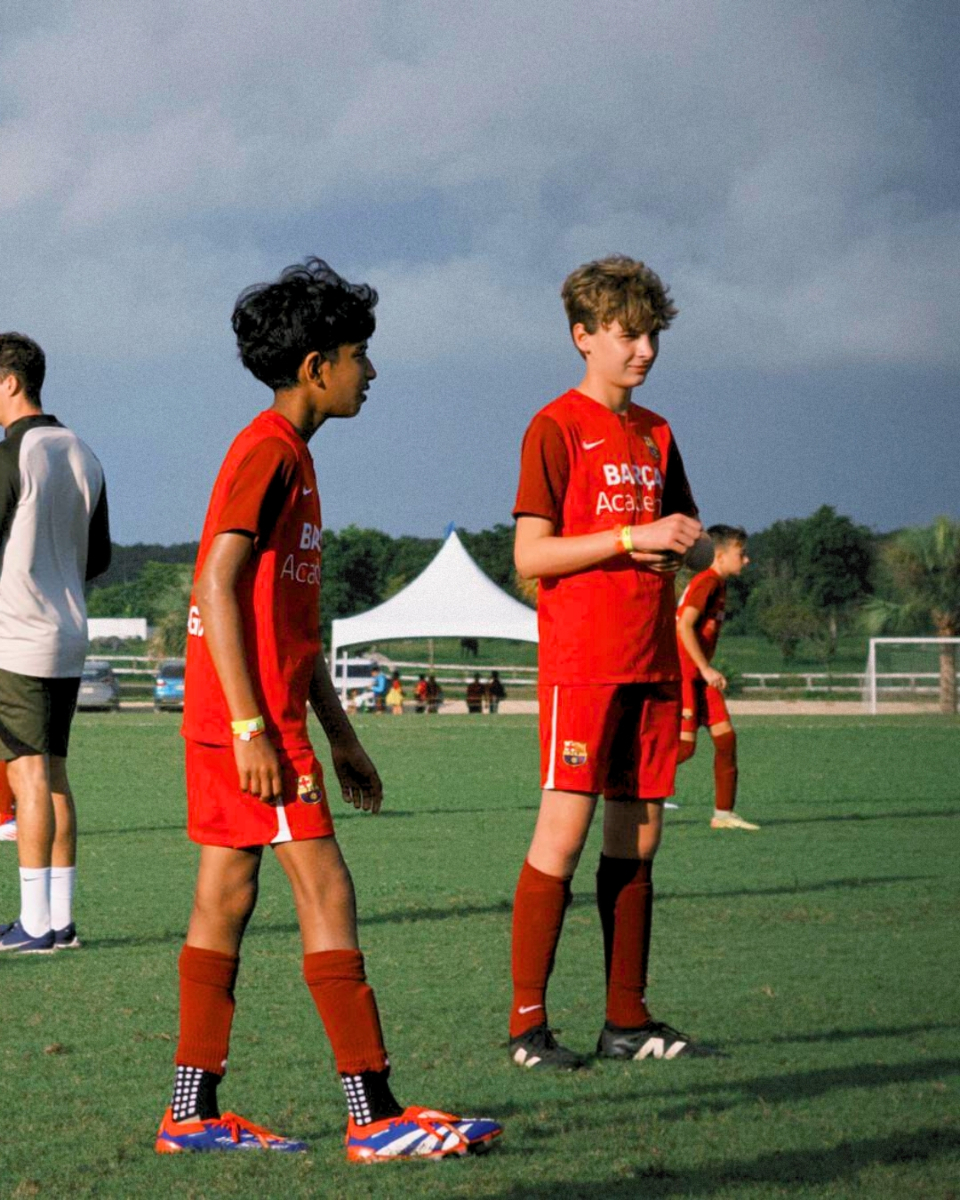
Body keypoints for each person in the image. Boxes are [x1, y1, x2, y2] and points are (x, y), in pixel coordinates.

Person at [156, 259, 501, 1160]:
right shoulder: (266, 449)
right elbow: (216, 584)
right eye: (359, 356)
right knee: (328, 889)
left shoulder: (293, 457)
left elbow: (290, 626)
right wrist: (249, 728)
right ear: (316, 366)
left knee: (224, 897)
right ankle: (373, 1113)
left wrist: (342, 737)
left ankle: (190, 1114)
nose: (370, 373)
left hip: (258, 721)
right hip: (249, 728)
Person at [509, 255, 713, 1070]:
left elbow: (690, 530)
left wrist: (685, 542)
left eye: (652, 334)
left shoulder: (657, 431)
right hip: (583, 664)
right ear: (583, 337)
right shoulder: (554, 427)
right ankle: (528, 1028)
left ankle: (627, 1021)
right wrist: (632, 538)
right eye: (629, 335)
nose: (646, 351)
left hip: (652, 661)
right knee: (562, 833)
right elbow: (532, 553)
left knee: (640, 836)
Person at [0, 333, 111, 953]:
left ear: (11, 382)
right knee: (56, 773)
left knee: (29, 775)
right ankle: (60, 921)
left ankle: (35, 925)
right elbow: (97, 558)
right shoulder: (84, 451)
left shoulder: (12, 453)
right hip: (69, 635)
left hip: (15, 637)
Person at [676, 524, 758, 830]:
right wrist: (705, 668)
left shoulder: (719, 585)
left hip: (698, 675)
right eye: (742, 553)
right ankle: (626, 786)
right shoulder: (707, 582)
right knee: (684, 748)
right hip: (685, 674)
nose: (746, 560)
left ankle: (723, 814)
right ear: (721, 555)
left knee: (726, 739)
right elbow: (683, 626)